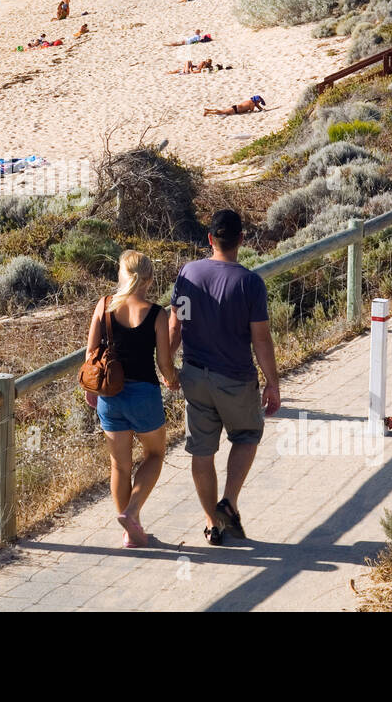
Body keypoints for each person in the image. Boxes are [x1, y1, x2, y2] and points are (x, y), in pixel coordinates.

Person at [168, 209, 281, 546]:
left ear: (210, 240)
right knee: (246, 435)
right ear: (241, 240)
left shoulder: (189, 273)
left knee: (202, 452)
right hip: (235, 378)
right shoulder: (249, 283)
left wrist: (168, 368)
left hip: (195, 377)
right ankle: (228, 502)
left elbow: (176, 324)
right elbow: (260, 339)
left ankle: (210, 524)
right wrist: (272, 383)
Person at [84, 251, 180, 548]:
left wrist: (90, 389)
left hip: (110, 395)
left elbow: (90, 355)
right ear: (149, 281)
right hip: (143, 395)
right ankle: (132, 512)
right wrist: (174, 380)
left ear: (121, 276)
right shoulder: (156, 314)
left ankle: (129, 533)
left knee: (120, 467)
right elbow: (164, 363)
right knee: (155, 455)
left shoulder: (103, 306)